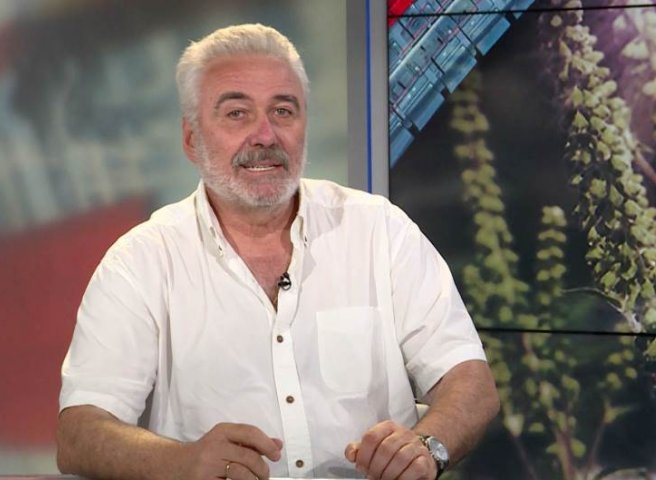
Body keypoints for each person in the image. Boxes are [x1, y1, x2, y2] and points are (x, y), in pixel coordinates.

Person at [56, 23, 499, 480]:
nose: (265, 135)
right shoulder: (141, 262)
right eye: (237, 114)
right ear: (192, 139)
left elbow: (469, 381)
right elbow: (79, 432)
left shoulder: (380, 230)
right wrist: (180, 462)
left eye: (283, 111)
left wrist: (427, 447)